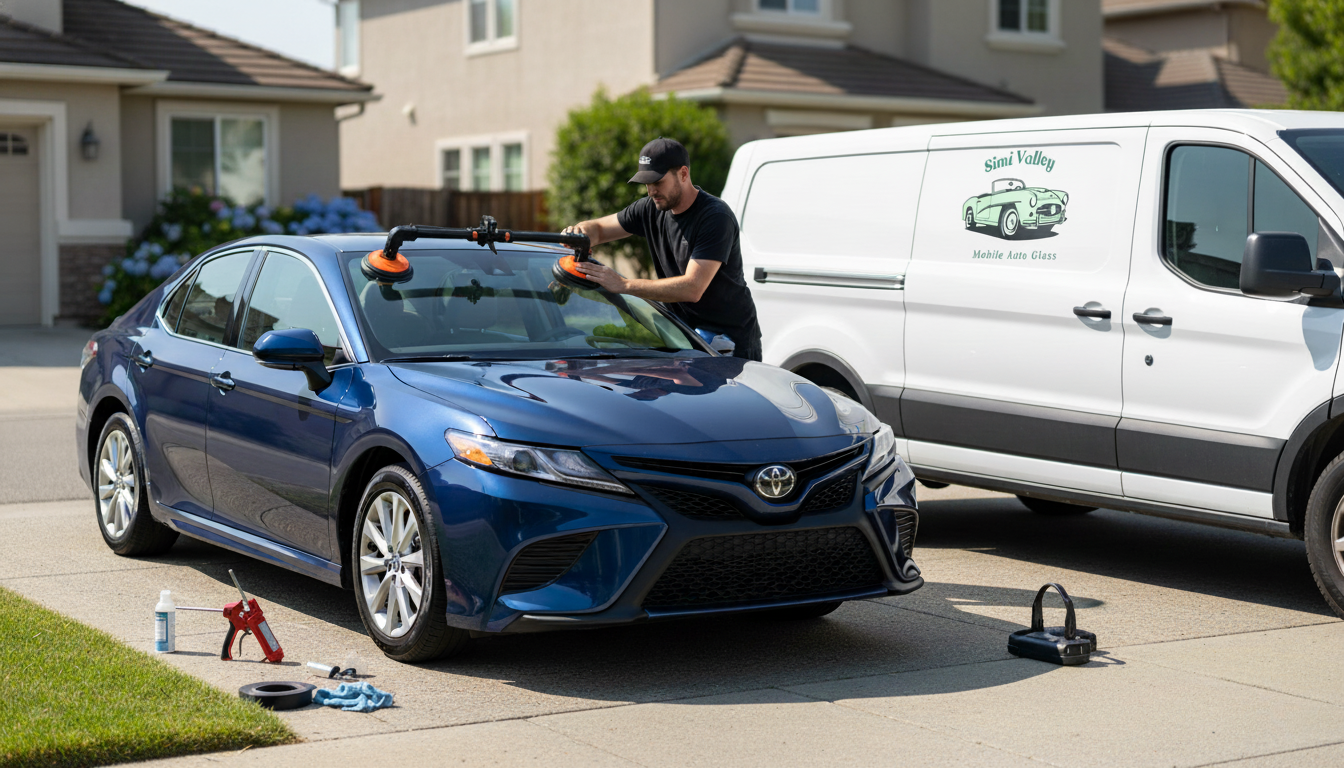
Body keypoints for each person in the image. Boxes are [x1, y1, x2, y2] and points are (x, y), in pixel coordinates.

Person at [562, 137, 763, 361]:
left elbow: (692, 288)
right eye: (646, 183)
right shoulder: (649, 209)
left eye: (657, 181)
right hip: (685, 337)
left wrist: (624, 285)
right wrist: (580, 232)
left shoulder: (715, 216)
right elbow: (599, 230)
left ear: (683, 174)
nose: (651, 191)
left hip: (730, 344)